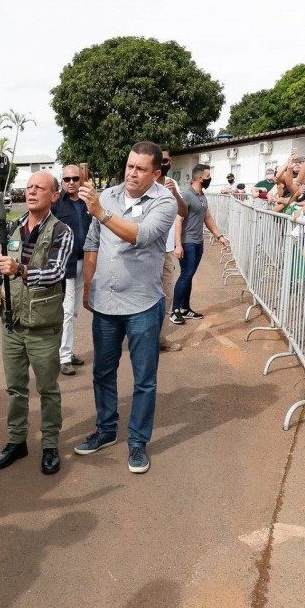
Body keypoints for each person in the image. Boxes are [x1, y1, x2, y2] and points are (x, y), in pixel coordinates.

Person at [74, 142, 176, 474]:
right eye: (130, 166)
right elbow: (92, 241)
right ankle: (105, 430)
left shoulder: (164, 202)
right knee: (103, 372)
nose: (132, 173)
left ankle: (137, 442)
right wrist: (88, 285)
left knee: (144, 378)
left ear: (156, 173)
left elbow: (141, 236)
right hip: (105, 302)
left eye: (141, 168)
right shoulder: (108, 195)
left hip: (143, 304)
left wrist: (100, 212)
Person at [0, 171, 73, 475]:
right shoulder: (13, 226)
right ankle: (16, 441)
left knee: (48, 389)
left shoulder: (61, 231)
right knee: (15, 388)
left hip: (43, 327)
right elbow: (0, 264)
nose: (31, 191)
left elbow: (54, 273)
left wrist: (20, 269)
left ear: (54, 196)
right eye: (28, 187)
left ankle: (49, 444)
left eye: (40, 188)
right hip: (12, 322)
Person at [169, 163, 229, 324]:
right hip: (187, 241)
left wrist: (220, 236)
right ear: (199, 178)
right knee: (186, 274)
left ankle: (185, 308)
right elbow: (178, 220)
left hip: (198, 242)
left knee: (189, 275)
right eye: (208, 177)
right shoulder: (187, 195)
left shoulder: (202, 196)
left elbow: (207, 218)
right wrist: (178, 244)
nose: (210, 179)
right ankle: (175, 310)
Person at [51, 164, 93, 375]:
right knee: (67, 311)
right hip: (64, 266)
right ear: (62, 180)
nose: (71, 183)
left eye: (75, 179)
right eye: (67, 179)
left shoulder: (87, 202)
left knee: (74, 311)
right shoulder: (57, 204)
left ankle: (67, 351)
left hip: (83, 263)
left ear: (80, 179)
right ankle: (63, 357)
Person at [155, 148, 187, 349]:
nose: (163, 163)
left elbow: (182, 212)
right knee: (145, 296)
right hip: (146, 250)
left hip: (165, 251)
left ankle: (161, 339)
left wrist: (174, 193)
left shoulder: (171, 184)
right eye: (160, 160)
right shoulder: (144, 183)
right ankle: (141, 338)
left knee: (166, 295)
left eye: (166, 160)